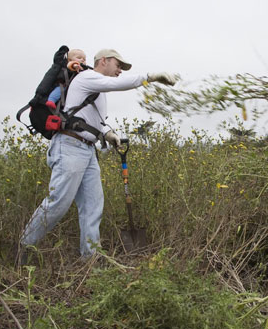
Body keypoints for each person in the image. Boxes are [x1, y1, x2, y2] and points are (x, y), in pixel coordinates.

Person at [19, 49, 179, 264]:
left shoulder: (97, 89)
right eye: (118, 64)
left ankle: (91, 258)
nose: (120, 70)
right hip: (69, 146)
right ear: (103, 61)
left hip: (86, 149)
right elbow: (117, 85)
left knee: (93, 206)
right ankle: (24, 247)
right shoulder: (87, 77)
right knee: (59, 203)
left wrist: (107, 134)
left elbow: (87, 118)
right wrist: (150, 77)